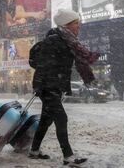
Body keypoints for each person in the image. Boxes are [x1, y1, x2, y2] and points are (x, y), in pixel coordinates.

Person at [29, 9, 100, 166]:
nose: (79, 26)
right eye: (76, 23)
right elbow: (42, 64)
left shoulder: (67, 41)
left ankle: (34, 151)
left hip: (54, 85)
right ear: (66, 25)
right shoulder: (54, 40)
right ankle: (68, 156)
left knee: (46, 119)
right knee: (61, 118)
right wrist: (40, 86)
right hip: (48, 86)